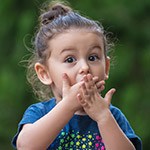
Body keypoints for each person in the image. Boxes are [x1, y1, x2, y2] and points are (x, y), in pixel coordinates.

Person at [12, 1, 142, 149]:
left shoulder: (112, 116)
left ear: (106, 67)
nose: (85, 67)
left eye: (92, 58)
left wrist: (103, 117)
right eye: (70, 59)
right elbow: (26, 146)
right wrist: (68, 106)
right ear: (45, 73)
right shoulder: (39, 113)